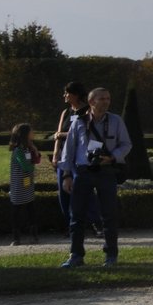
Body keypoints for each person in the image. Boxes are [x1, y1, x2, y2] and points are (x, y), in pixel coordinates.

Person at [59, 87, 131, 268]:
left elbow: (126, 144)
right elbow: (69, 150)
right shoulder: (79, 122)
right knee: (76, 216)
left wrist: (113, 157)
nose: (106, 101)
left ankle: (111, 256)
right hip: (83, 172)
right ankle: (76, 255)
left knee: (109, 216)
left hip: (106, 172)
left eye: (108, 98)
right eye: (102, 99)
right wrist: (67, 175)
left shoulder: (116, 121)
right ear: (91, 102)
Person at [51, 82, 100, 236]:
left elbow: (87, 134)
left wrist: (64, 135)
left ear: (76, 95)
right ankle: (71, 225)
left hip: (81, 156)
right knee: (64, 192)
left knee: (85, 191)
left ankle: (95, 223)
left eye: (67, 93)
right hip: (65, 156)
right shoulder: (65, 113)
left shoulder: (88, 112)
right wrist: (55, 154)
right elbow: (57, 135)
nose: (64, 95)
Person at [9, 123, 41, 245]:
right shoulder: (18, 150)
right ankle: (16, 238)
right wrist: (32, 164)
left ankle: (34, 235)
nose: (33, 132)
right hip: (18, 187)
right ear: (25, 134)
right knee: (16, 212)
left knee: (31, 211)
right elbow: (27, 167)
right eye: (31, 131)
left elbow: (36, 160)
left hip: (27, 185)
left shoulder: (28, 148)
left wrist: (35, 150)